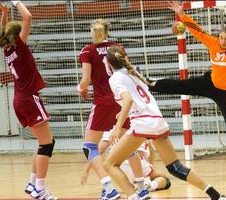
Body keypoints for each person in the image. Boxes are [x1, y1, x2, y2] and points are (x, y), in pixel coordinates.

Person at [103, 45, 226, 200]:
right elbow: (136, 100)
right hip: (157, 121)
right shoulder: (134, 73)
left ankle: (135, 196)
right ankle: (214, 194)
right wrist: (121, 114)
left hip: (143, 124)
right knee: (175, 167)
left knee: (110, 164)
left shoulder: (114, 78)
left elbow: (128, 100)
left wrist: (117, 127)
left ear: (108, 64)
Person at [148, 1, 226, 172]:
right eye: (221, 37)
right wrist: (182, 15)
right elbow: (197, 30)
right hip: (210, 83)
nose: (223, 41)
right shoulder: (213, 43)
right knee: (182, 85)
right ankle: (151, 84)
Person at [78, 18, 149, 200]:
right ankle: (141, 188)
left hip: (102, 102)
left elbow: (86, 80)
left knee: (89, 146)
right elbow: (130, 71)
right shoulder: (117, 48)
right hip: (121, 100)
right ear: (107, 32)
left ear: (92, 33)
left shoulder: (87, 51)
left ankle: (108, 187)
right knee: (128, 145)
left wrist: (81, 89)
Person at [0, 1, 57, 199]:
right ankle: (40, 189)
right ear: (19, 35)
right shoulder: (19, 46)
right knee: (47, 144)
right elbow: (28, 17)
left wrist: (4, 12)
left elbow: (4, 31)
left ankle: (32, 183)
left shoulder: (7, 50)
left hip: (20, 99)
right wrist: (15, 2)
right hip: (29, 98)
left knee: (43, 143)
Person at [80, 132, 171, 193]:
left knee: (110, 163)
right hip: (138, 163)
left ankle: (133, 185)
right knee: (165, 179)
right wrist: (151, 165)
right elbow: (150, 151)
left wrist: (86, 170)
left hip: (119, 168)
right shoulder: (140, 125)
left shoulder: (111, 127)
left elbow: (98, 150)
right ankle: (150, 185)